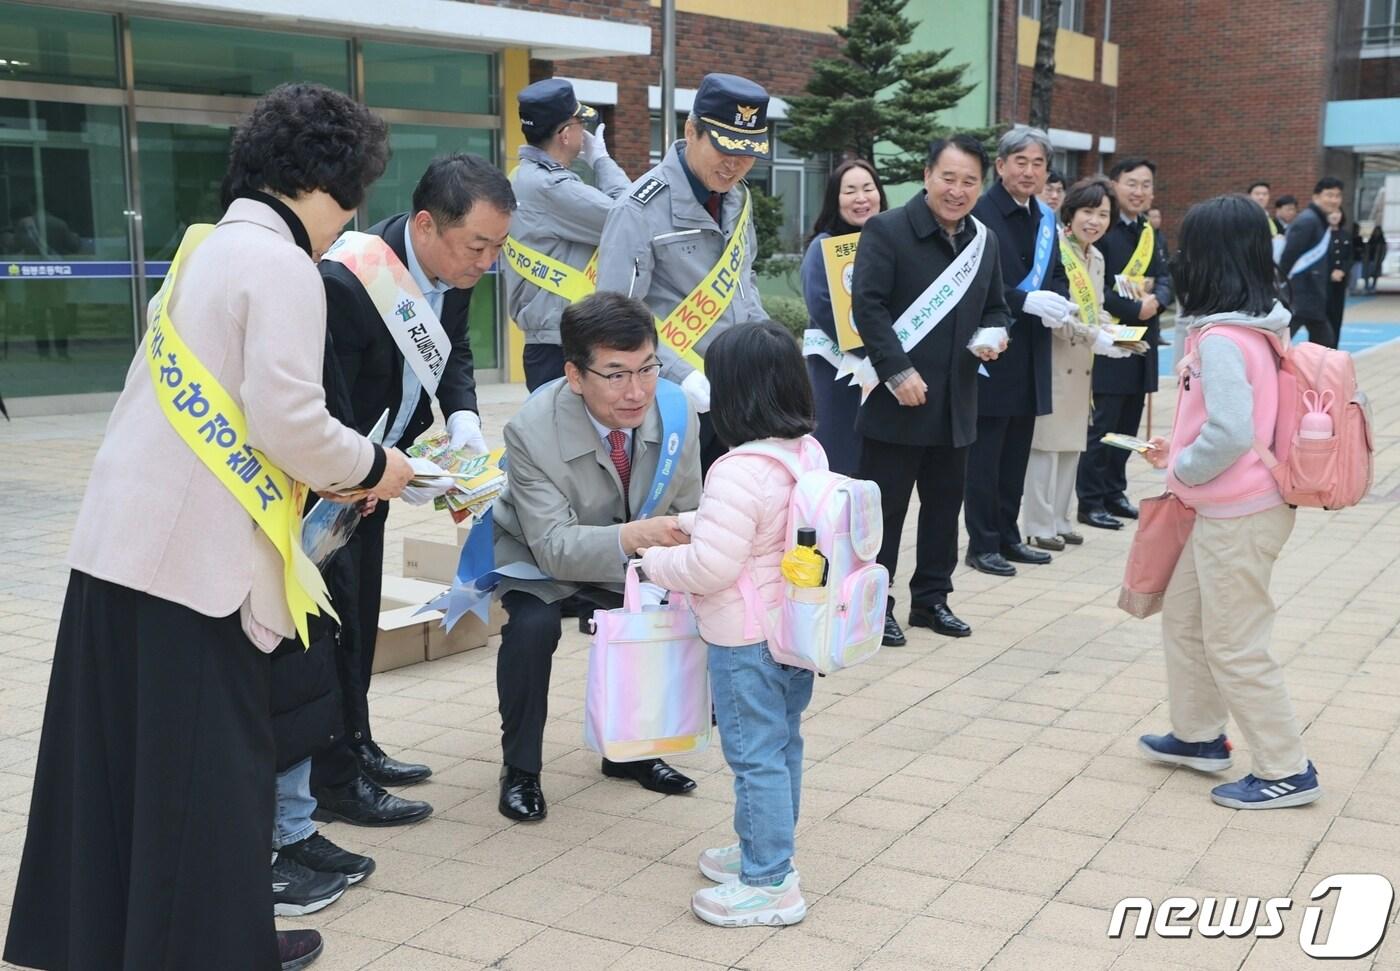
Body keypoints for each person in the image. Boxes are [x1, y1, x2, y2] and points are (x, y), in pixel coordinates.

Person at [3, 82, 413, 971]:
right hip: (195, 570)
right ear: (322, 184)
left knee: (118, 768)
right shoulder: (282, 265)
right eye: (351, 199)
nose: (347, 222)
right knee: (207, 777)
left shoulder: (206, 251)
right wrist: (383, 469)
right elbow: (291, 424)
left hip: (119, 548)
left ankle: (106, 938)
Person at [310, 155, 512, 826]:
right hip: (336, 482)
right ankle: (331, 777)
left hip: (382, 475)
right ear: (426, 226)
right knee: (328, 624)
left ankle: (357, 741)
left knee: (360, 614)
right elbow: (321, 398)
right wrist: (362, 469)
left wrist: (463, 425)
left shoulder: (452, 269)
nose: (485, 262)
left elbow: (450, 352)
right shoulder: (351, 277)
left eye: (497, 248)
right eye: (477, 245)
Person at [1137, 193, 1321, 811]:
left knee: (1236, 641)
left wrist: (1186, 464)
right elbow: (1232, 420)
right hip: (1230, 504)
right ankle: (1197, 735)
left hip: (1237, 510)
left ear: (1208, 258)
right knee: (1187, 620)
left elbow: (1232, 432)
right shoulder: (1257, 323)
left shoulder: (1220, 337)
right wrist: (1181, 449)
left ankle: (1285, 767)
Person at [491, 292, 703, 822]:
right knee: (533, 627)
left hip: (635, 550)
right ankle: (520, 769)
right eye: (615, 374)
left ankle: (631, 750)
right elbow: (555, 546)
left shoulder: (677, 413)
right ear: (574, 374)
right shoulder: (530, 430)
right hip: (538, 556)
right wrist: (634, 539)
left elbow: (689, 508)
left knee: (656, 610)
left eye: (647, 368)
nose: (636, 392)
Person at [640, 321, 817, 929]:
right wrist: (700, 521)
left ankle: (770, 880)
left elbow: (712, 567)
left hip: (745, 639)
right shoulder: (804, 451)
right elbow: (765, 531)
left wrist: (654, 560)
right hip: (795, 631)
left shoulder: (737, 467)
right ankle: (760, 849)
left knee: (755, 756)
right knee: (782, 744)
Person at [852, 134, 1012, 645]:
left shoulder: (983, 241)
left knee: (944, 510)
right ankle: (877, 605)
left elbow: (996, 307)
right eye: (949, 178)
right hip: (898, 402)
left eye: (970, 181)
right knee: (887, 513)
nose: (958, 190)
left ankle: (932, 601)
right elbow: (868, 307)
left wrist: (994, 335)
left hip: (957, 404)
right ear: (926, 176)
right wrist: (896, 371)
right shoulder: (887, 230)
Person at [596, 72, 770, 471]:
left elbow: (744, 281)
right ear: (691, 131)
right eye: (724, 148)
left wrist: (767, 351)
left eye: (747, 153)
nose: (735, 165)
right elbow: (614, 318)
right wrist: (685, 375)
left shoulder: (738, 199)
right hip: (670, 398)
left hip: (736, 391)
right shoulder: (638, 211)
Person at [965, 126, 1071, 577]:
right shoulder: (980, 213)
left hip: (1032, 352)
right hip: (992, 354)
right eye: (1020, 162)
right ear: (1001, 165)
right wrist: (1022, 299)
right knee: (985, 457)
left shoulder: (1043, 218)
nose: (1029, 172)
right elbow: (969, 283)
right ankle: (982, 543)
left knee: (1015, 455)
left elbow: (1059, 273)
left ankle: (1008, 535)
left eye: (1038, 164)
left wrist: (1059, 304)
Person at [1022, 177, 1133, 551]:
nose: (1095, 221)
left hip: (1082, 363)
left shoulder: (1096, 256)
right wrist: (1094, 337)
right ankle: (1038, 525)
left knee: (1071, 445)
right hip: (1054, 357)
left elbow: (1096, 309)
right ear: (1070, 213)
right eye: (1088, 211)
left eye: (1103, 214)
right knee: (1045, 447)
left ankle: (1060, 519)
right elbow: (1057, 315)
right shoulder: (1056, 249)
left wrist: (1118, 337)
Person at [504, 78, 632, 390]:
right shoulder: (551, 187)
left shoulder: (524, 177)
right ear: (564, 134)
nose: (583, 132)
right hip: (559, 345)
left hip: (551, 341)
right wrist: (602, 161)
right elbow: (633, 217)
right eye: (579, 123)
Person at [1076, 156, 1172, 531]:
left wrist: (1157, 302)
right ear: (1115, 185)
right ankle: (1091, 499)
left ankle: (1115, 491)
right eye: (1132, 183)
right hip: (1111, 342)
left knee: (1128, 426)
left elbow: (1165, 276)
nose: (1139, 191)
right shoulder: (1104, 230)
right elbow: (1094, 289)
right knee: (1102, 426)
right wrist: (1137, 307)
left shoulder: (1150, 231)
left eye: (1146, 184)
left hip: (1141, 345)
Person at [799, 159, 888, 475]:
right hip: (839, 374)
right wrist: (884, 352)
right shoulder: (822, 248)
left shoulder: (892, 244)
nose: (861, 198)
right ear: (835, 200)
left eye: (868, 188)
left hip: (884, 376)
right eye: (850, 191)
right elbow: (825, 308)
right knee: (839, 465)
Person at [1278, 176, 1344, 349]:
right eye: (1329, 195)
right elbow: (1288, 256)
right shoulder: (1308, 221)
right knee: (1281, 343)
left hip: (1312, 296)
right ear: (1316, 197)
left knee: (1324, 344)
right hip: (1299, 295)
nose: (1334, 200)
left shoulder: (1320, 221)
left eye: (1337, 196)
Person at [1325, 209, 1353, 345]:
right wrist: (1330, 272)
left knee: (1337, 316)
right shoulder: (1321, 235)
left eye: (1337, 212)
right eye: (1332, 212)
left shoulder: (1346, 235)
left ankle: (1334, 347)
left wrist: (1342, 271)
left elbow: (1350, 257)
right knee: (1324, 317)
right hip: (1324, 282)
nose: (1335, 215)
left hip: (1340, 282)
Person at [1365, 224, 1387, 293]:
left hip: (1377, 260)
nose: (1376, 233)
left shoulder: (1382, 241)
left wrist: (1381, 260)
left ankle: (1373, 286)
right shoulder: (1370, 240)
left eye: (1378, 231)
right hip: (1369, 259)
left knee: (1375, 274)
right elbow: (1366, 250)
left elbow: (1384, 252)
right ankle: (1367, 286)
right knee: (1367, 274)